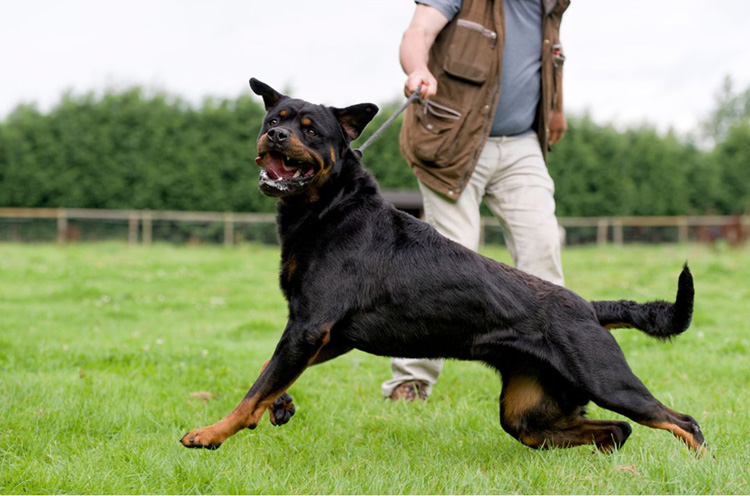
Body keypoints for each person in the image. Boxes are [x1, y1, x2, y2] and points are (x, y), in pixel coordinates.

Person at [382, 0, 570, 401]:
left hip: (521, 145)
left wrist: (555, 110)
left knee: (543, 247)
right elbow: (418, 33)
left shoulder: (552, 4)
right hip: (453, 141)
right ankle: (411, 380)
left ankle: (551, 377)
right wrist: (417, 68)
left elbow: (547, 60)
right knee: (446, 262)